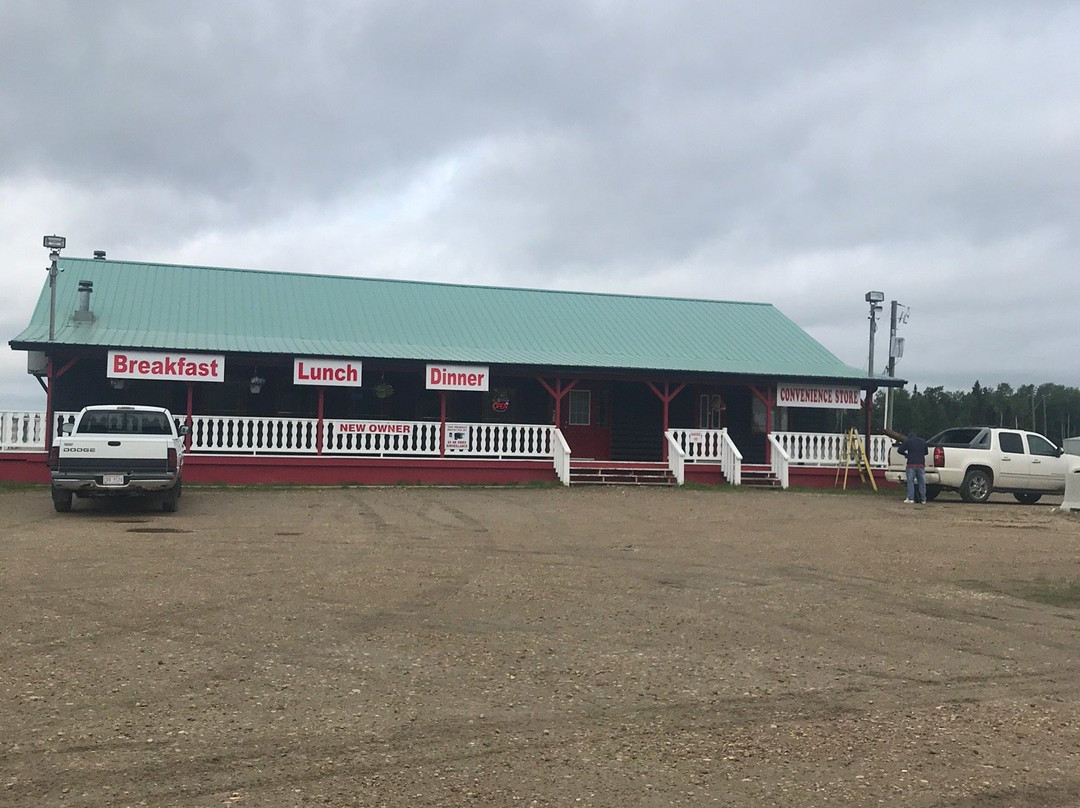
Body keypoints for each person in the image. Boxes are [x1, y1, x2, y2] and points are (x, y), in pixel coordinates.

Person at [896, 430, 929, 504]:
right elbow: (926, 452)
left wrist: (906, 454)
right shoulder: (922, 441)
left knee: (910, 482)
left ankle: (911, 498)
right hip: (921, 464)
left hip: (911, 464)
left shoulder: (908, 441)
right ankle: (923, 499)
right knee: (922, 483)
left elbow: (899, 450)